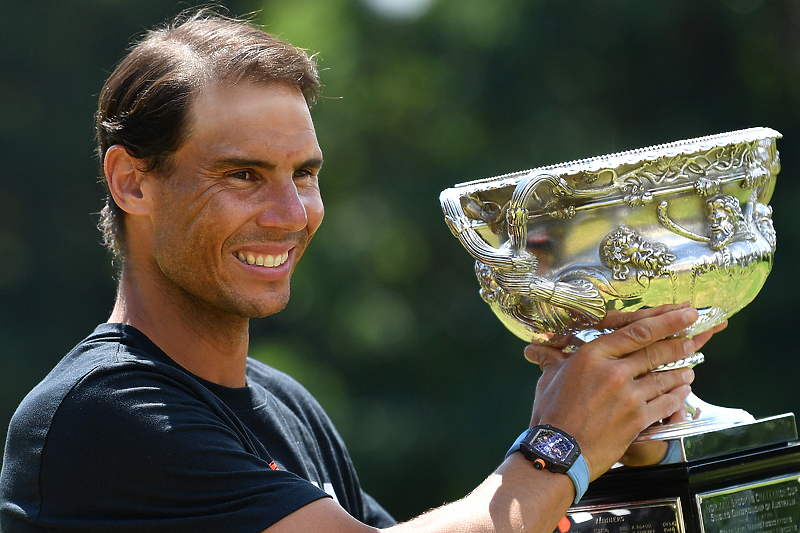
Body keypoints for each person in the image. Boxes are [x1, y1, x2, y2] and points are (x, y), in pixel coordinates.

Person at [0, 8, 725, 533]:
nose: (291, 212)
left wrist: (615, 435)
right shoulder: (102, 412)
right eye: (244, 174)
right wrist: (557, 447)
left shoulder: (286, 405)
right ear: (132, 183)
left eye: (305, 173)